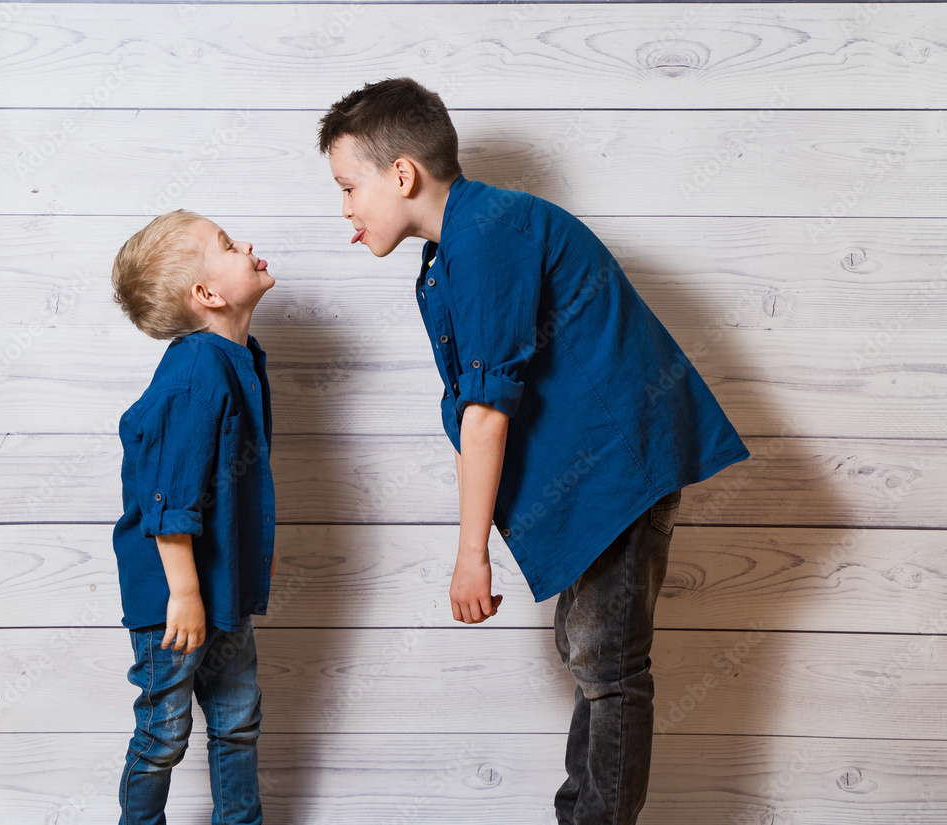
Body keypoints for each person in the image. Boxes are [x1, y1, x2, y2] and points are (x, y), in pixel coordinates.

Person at [318, 78, 750, 824]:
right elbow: (476, 409)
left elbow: (487, 411)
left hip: (621, 470)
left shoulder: (487, 231)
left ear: (402, 174)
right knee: (591, 655)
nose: (346, 212)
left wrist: (470, 554)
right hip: (592, 479)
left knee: (610, 668)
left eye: (348, 187)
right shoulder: (450, 256)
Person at [110, 209, 277, 825]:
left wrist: (257, 545)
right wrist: (184, 590)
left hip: (224, 584)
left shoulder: (240, 359)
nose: (248, 244)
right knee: (163, 733)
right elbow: (168, 492)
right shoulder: (197, 370)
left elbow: (233, 475)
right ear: (206, 295)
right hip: (174, 597)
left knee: (237, 721)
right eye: (230, 245)